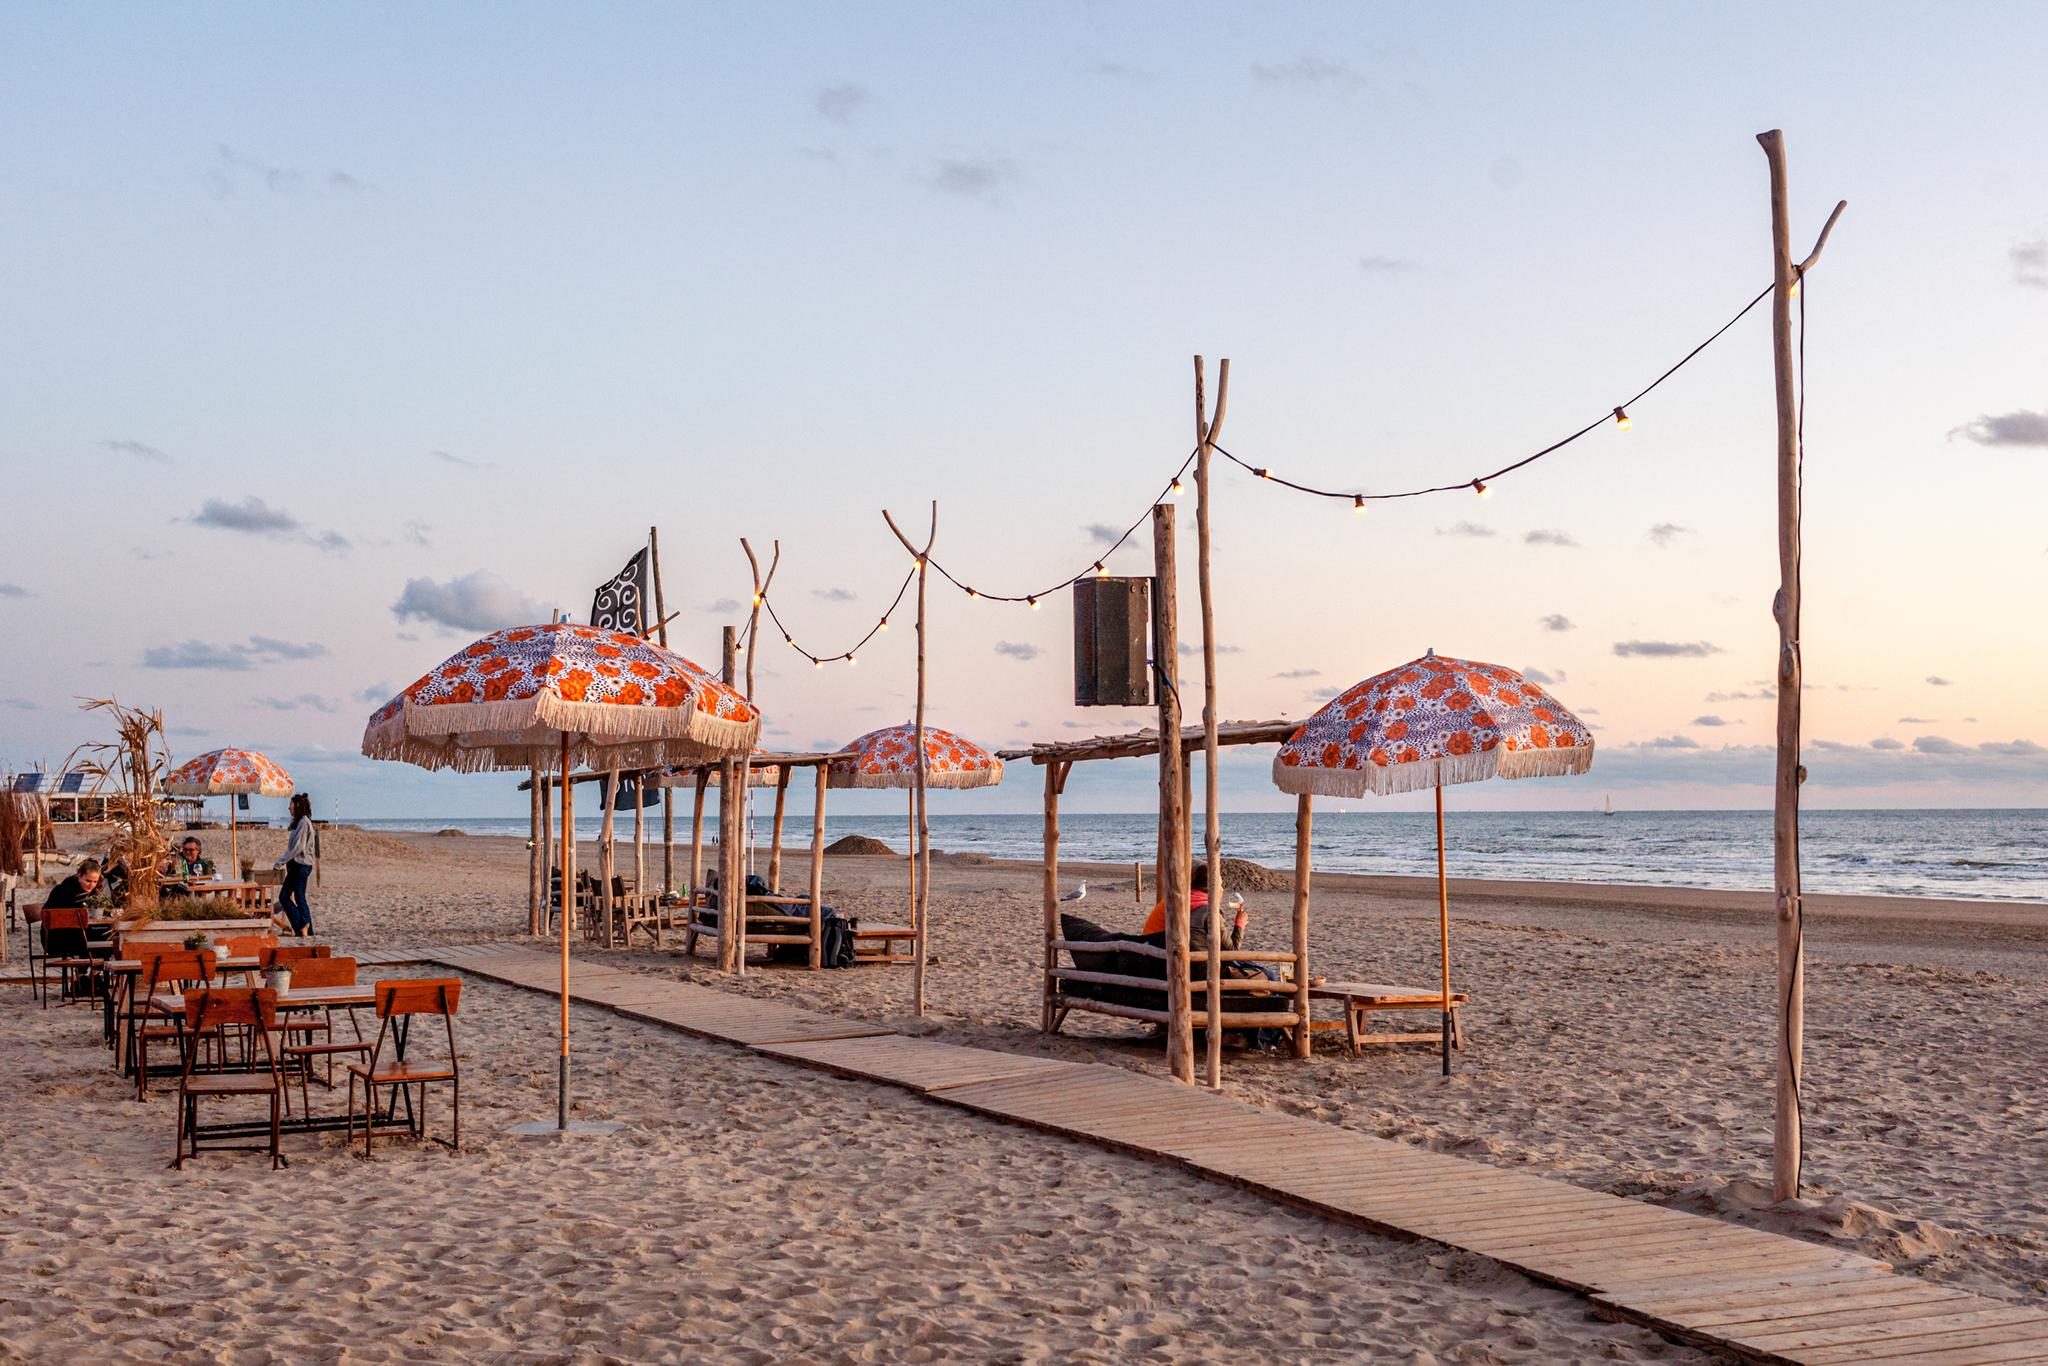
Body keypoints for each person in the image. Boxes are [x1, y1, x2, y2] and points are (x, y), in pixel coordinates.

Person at [273, 793, 318, 938]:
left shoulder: (304, 822)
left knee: (293, 897)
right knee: (290, 897)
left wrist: (280, 861)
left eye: (291, 806)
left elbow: (297, 847)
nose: (288, 808)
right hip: (296, 866)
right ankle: (306, 929)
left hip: (301, 865)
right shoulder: (299, 822)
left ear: (297, 807)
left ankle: (302, 926)